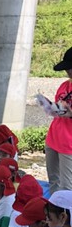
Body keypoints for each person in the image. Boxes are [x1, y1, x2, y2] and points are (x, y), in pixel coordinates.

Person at [45, 47, 72, 194]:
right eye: (67, 68)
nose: (68, 71)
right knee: (53, 180)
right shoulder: (64, 85)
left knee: (67, 185)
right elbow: (58, 109)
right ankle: (54, 212)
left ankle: (66, 215)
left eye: (70, 68)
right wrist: (50, 107)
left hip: (69, 144)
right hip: (53, 138)